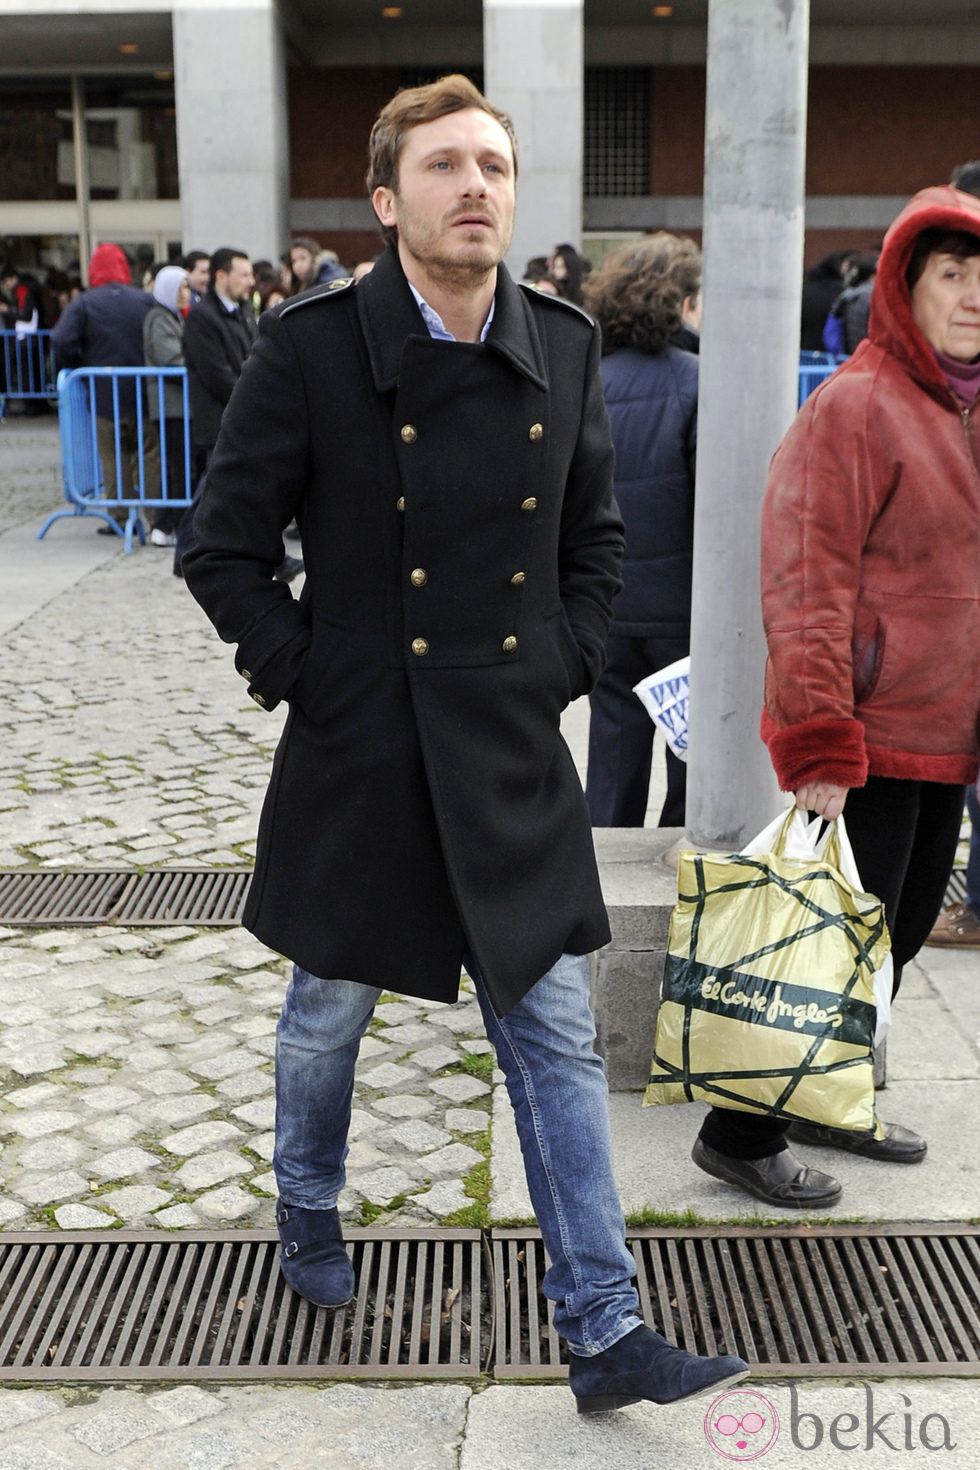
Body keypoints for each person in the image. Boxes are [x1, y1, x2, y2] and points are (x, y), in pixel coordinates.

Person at [184, 73, 746, 1416]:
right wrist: (314, 677)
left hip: (502, 751)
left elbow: (594, 539)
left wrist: (557, 662)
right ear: (389, 201)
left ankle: (603, 1325)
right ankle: (308, 1208)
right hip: (361, 749)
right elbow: (224, 548)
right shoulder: (311, 348)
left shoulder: (559, 342)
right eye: (444, 166)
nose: (476, 185)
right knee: (329, 1010)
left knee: (549, 1031)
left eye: (492, 162)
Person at [692, 184, 980, 1209]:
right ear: (905, 289)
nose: (971, 296)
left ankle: (821, 1098)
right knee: (828, 943)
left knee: (891, 939)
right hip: (868, 735)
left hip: (941, 732)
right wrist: (817, 743)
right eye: (950, 275)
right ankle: (737, 1131)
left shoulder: (961, 409)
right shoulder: (857, 405)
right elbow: (805, 580)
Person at [583, 234, 701, 828]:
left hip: (608, 607)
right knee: (693, 767)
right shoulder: (699, 381)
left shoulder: (587, 381)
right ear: (681, 302)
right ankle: (687, 889)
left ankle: (599, 885)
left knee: (611, 760)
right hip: (685, 618)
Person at [51, 242, 156, 526]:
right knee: (149, 455)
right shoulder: (145, 300)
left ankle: (120, 519)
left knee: (113, 458)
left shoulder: (84, 303)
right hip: (145, 392)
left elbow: (61, 340)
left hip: (104, 394)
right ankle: (156, 516)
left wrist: (73, 365)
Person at [142, 265, 192, 546]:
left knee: (180, 465)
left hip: (178, 404)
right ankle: (164, 525)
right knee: (176, 466)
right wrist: (198, 367)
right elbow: (170, 358)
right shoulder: (160, 318)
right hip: (170, 405)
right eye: (182, 287)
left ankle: (168, 524)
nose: (186, 293)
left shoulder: (172, 316)